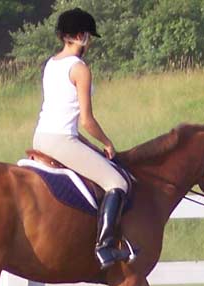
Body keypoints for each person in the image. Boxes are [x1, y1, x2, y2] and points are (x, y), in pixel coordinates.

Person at [32, 8, 133, 270]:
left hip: (41, 137)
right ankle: (105, 247)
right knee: (117, 182)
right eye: (88, 36)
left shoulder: (51, 63)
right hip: (61, 140)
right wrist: (108, 143)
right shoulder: (80, 69)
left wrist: (90, 146)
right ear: (80, 36)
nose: (89, 42)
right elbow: (87, 120)